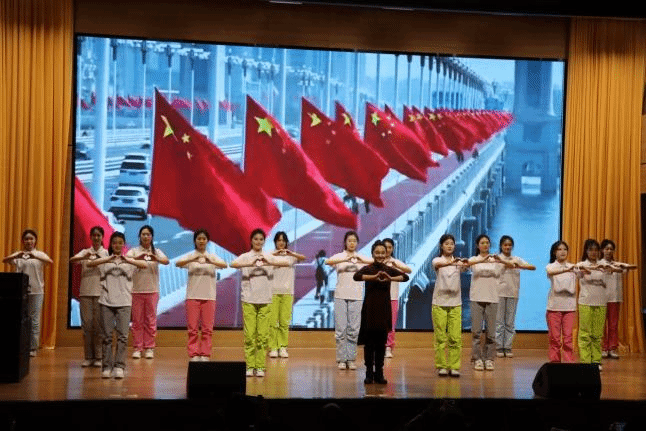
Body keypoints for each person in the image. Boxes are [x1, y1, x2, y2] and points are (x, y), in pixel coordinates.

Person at [87, 232, 147, 379]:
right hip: (106, 302)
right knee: (107, 337)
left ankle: (119, 366)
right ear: (111, 244)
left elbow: (144, 265)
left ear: (124, 245)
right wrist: (108, 258)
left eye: (120, 243)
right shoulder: (105, 261)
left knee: (123, 337)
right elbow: (90, 264)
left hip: (124, 303)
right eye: (115, 243)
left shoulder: (129, 262)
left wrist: (127, 259)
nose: (117, 245)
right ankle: (107, 367)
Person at [230, 229, 288, 377]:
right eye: (255, 239)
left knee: (262, 336)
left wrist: (269, 261)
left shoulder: (268, 256)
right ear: (251, 241)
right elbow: (233, 264)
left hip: (265, 300)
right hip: (249, 299)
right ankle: (250, 366)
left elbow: (286, 262)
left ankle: (260, 366)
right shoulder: (246, 256)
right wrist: (249, 263)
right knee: (250, 336)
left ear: (264, 241)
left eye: (261, 239)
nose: (258, 242)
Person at [353, 240, 408, 384]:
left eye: (383, 252)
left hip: (384, 310)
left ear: (386, 253)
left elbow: (405, 277)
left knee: (381, 344)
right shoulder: (368, 268)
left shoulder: (388, 269)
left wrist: (390, 278)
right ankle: (368, 373)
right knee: (369, 344)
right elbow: (356, 276)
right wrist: (374, 277)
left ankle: (379, 373)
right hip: (370, 310)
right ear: (372, 254)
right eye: (377, 252)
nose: (380, 255)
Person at [176, 229, 227, 361]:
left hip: (209, 297)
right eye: (199, 238)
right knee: (192, 329)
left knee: (207, 329)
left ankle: (205, 353)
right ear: (195, 241)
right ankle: (194, 353)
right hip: (192, 296)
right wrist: (193, 258)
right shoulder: (191, 256)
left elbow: (224, 265)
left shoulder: (212, 256)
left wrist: (209, 260)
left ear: (207, 241)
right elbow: (178, 263)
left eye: (204, 239)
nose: (201, 241)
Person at [467, 234, 515, 371]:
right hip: (476, 298)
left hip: (492, 298)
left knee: (491, 333)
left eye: (487, 242)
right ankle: (476, 359)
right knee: (476, 332)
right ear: (477, 245)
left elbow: (511, 265)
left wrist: (499, 259)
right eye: (482, 243)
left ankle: (489, 359)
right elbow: (467, 265)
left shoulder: (496, 260)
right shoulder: (474, 259)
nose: (485, 245)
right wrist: (483, 259)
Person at [3, 229, 53, 357]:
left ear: (35, 241)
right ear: (23, 241)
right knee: (20, 320)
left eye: (31, 239)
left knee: (34, 320)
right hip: (20, 292)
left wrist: (34, 256)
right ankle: (21, 346)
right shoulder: (19, 255)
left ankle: (32, 348)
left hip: (37, 292)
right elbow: (5, 260)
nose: (29, 241)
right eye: (26, 239)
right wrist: (17, 256)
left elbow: (50, 262)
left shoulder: (39, 254)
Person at [326, 231, 372, 370]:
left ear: (357, 243)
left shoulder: (361, 258)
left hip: (356, 296)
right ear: (345, 242)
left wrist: (357, 257)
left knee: (353, 329)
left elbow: (374, 262)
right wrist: (345, 258)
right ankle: (341, 359)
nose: (352, 243)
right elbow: (328, 261)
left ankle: (351, 359)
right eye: (349, 240)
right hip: (340, 296)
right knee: (341, 330)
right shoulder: (340, 256)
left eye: (354, 241)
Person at [126, 225, 169, 359]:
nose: (145, 237)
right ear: (139, 236)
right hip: (136, 291)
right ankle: (138, 347)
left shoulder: (156, 251)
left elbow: (166, 261)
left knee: (150, 321)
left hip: (152, 291)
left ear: (151, 237)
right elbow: (126, 259)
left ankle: (149, 347)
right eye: (143, 234)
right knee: (137, 321)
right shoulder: (134, 251)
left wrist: (153, 257)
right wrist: (140, 258)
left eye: (148, 234)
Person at [70, 226, 109, 367]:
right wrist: (84, 257)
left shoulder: (106, 253)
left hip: (100, 294)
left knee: (98, 327)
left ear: (102, 237)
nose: (96, 238)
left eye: (99, 235)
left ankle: (99, 357)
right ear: (91, 237)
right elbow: (72, 260)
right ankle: (88, 357)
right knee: (87, 327)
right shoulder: (85, 252)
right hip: (85, 293)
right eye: (94, 235)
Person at [431, 234, 467, 377]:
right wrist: (455, 263)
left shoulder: (458, 262)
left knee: (455, 338)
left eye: (452, 243)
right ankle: (441, 366)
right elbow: (439, 265)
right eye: (446, 243)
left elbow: (467, 267)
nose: (450, 246)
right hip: (439, 303)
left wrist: (465, 263)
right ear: (441, 246)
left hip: (456, 303)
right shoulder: (437, 260)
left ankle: (454, 366)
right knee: (440, 338)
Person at [495, 235, 536, 358]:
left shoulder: (516, 259)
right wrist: (506, 263)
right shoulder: (497, 259)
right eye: (505, 245)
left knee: (510, 322)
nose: (507, 247)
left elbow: (532, 267)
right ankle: (498, 347)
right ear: (501, 246)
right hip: (499, 293)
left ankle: (507, 347)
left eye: (509, 245)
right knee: (499, 322)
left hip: (513, 293)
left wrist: (518, 265)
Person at [268, 231, 305, 359]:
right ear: (275, 242)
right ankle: (273, 347)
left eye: (283, 240)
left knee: (284, 322)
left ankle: (282, 347)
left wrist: (291, 253)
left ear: (286, 242)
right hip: (273, 292)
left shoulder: (291, 257)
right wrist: (275, 253)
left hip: (287, 292)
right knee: (273, 322)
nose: (281, 243)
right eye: (279, 240)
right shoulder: (270, 255)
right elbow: (263, 257)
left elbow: (303, 258)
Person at [545, 240, 583, 363]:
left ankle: (569, 363)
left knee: (568, 338)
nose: (562, 252)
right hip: (554, 307)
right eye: (559, 249)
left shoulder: (573, 266)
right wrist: (567, 270)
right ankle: (555, 363)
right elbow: (550, 272)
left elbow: (583, 274)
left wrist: (585, 269)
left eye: (565, 249)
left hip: (569, 307)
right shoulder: (551, 266)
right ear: (554, 252)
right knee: (555, 339)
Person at [599, 239, 636, 360]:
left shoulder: (618, 264)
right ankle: (603, 348)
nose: (609, 251)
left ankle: (612, 348)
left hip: (615, 298)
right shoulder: (598, 264)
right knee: (602, 325)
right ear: (602, 250)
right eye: (606, 249)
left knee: (613, 325)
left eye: (611, 249)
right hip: (601, 298)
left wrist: (619, 267)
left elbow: (630, 267)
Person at [577, 239, 609, 370]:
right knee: (585, 334)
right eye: (591, 250)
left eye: (596, 250)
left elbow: (618, 269)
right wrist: (588, 269)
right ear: (586, 251)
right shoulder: (581, 265)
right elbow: (576, 271)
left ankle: (596, 361)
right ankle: (585, 361)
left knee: (597, 334)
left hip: (601, 302)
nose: (594, 252)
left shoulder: (604, 264)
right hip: (585, 302)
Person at [382, 238, 412, 358]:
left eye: (390, 247)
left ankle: (388, 347)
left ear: (393, 249)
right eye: (385, 247)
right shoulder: (377, 263)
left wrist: (395, 264)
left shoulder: (395, 263)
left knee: (391, 325)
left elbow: (408, 270)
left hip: (392, 297)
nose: (387, 250)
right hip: (379, 297)